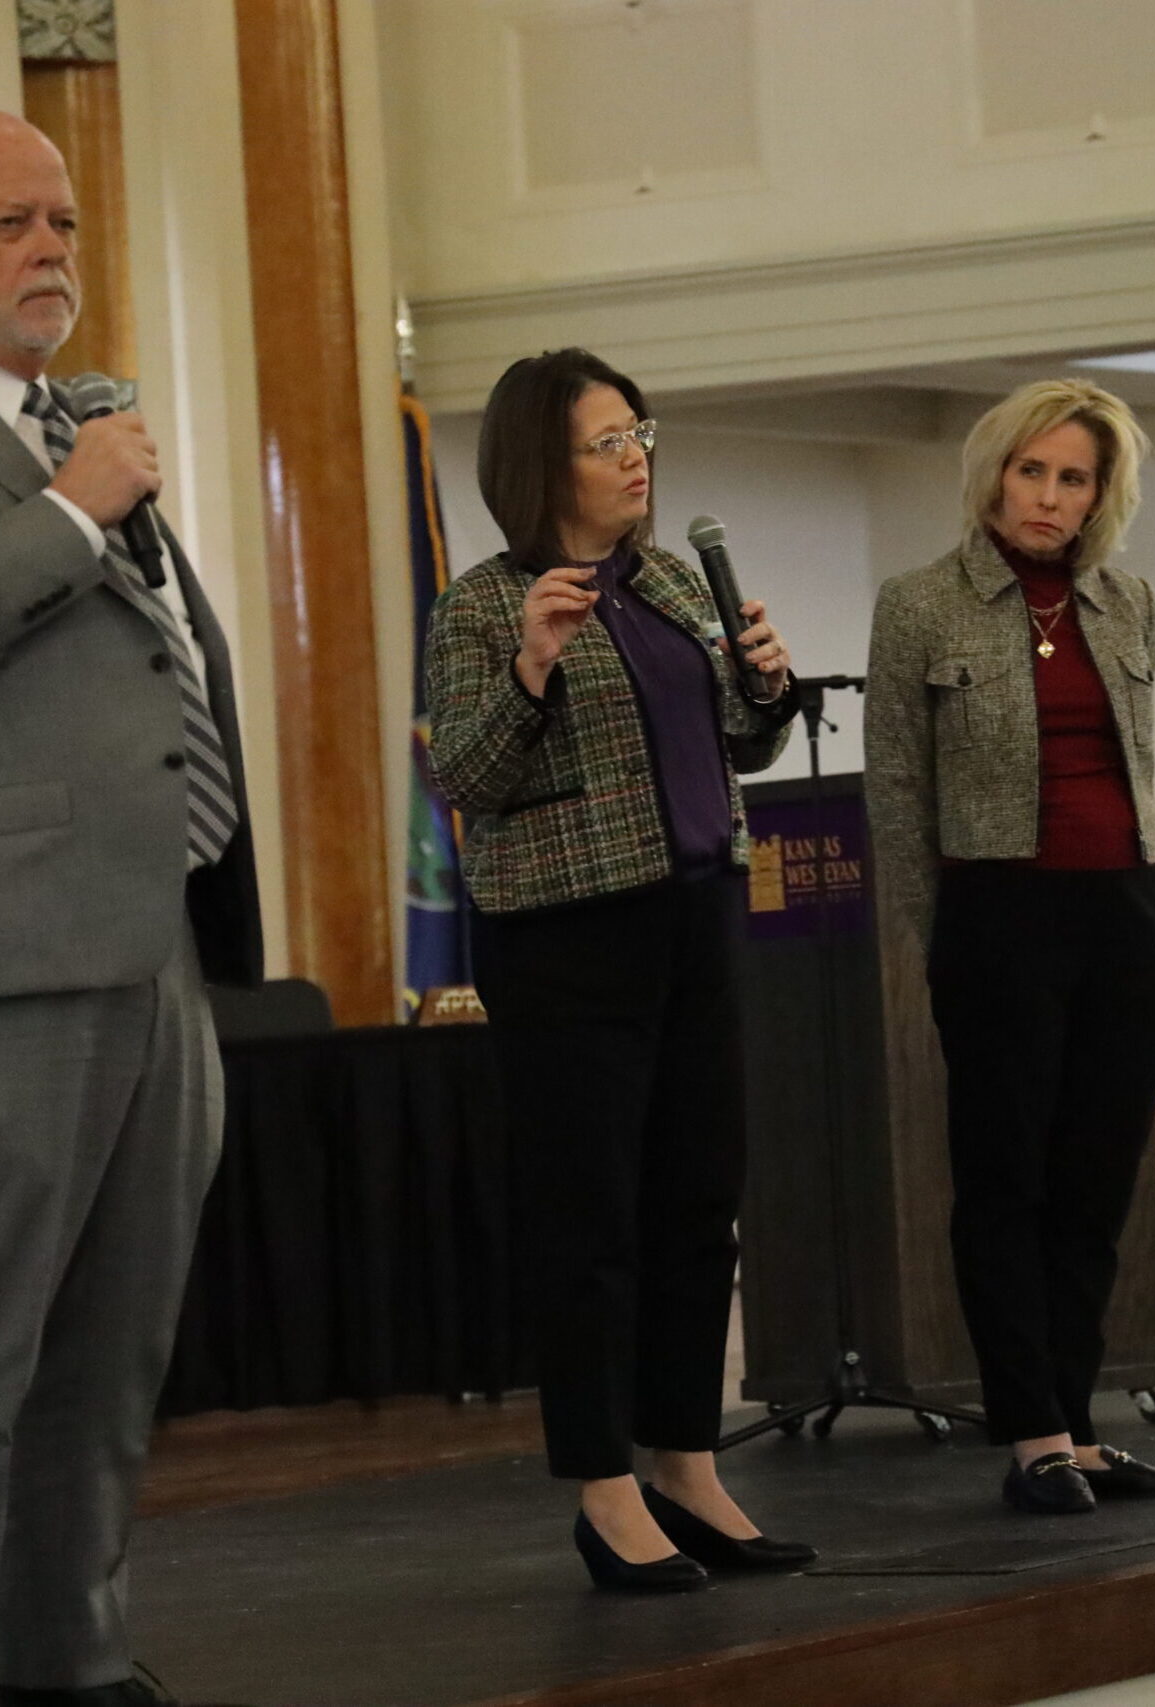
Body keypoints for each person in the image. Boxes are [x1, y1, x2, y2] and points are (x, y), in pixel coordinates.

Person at [0, 112, 261, 1705]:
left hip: (147, 937)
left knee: (110, 1352)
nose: (55, 248)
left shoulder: (72, 418)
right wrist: (63, 513)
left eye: (62, 221)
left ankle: (71, 1648)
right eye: (12, 223)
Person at [425, 347, 815, 1591]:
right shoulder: (484, 605)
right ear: (543, 462)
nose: (636, 453)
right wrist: (534, 666)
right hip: (566, 938)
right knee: (589, 1218)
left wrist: (767, 688)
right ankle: (603, 1488)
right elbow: (465, 780)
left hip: (696, 913)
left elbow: (730, 752)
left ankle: (687, 1463)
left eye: (638, 431)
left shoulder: (668, 587)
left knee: (698, 1205)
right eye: (607, 440)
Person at [864, 378, 1155, 1516]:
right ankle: (1033, 1434)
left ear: (1103, 493)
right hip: (997, 916)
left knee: (1096, 1183)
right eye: (1032, 471)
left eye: (1075, 478)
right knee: (1004, 1180)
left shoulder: (1130, 601)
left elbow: (1136, 760)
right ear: (994, 475)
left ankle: (1082, 1425)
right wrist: (934, 937)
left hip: (1123, 913)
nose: (1050, 497)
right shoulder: (920, 605)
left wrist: (1152, 888)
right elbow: (899, 795)